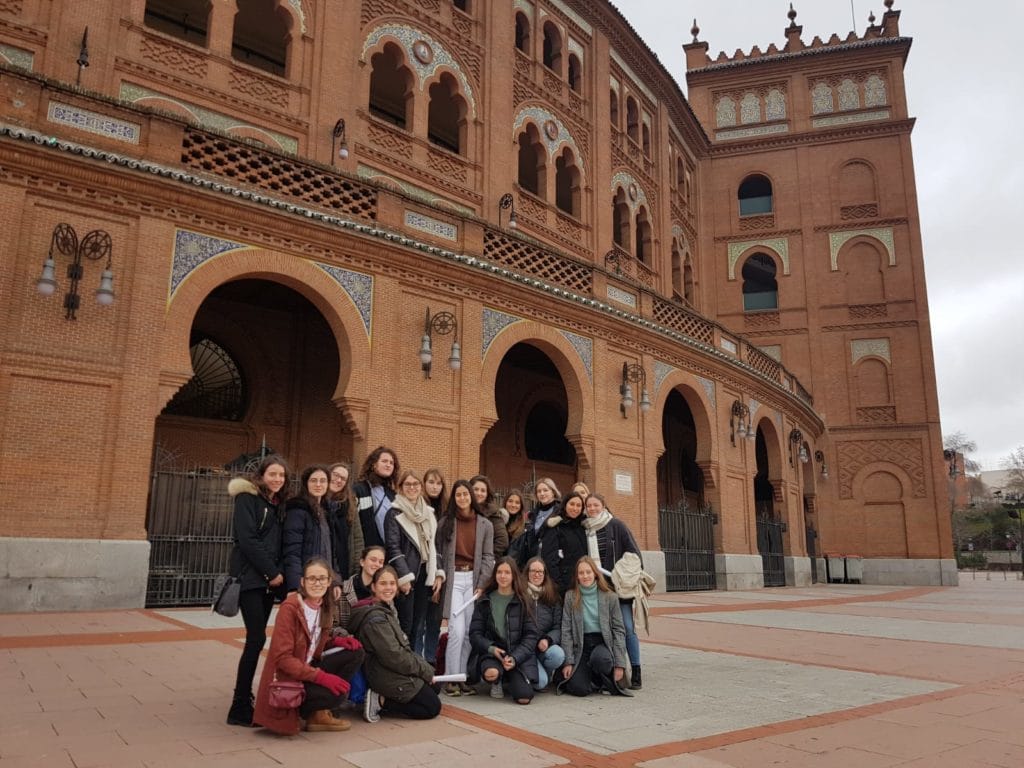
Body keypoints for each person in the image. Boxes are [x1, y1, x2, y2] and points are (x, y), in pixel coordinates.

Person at [253, 557, 365, 734]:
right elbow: (283, 659)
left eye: (322, 578)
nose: (317, 583)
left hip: (307, 668)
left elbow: (313, 642)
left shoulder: (325, 606)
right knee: (337, 694)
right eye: (312, 578)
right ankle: (309, 710)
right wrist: (322, 678)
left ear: (329, 582)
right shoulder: (290, 609)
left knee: (356, 652)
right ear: (302, 582)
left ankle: (318, 713)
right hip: (289, 678)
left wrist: (336, 641)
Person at [226, 455, 288, 727]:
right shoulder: (246, 499)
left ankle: (247, 698)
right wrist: (271, 572)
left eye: (282, 475)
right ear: (261, 476)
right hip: (251, 580)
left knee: (258, 639)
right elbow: (247, 540)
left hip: (265, 583)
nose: (277, 479)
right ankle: (239, 706)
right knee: (255, 639)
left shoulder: (275, 504)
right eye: (272, 474)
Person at [349, 565, 442, 722]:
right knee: (432, 707)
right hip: (382, 672)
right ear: (373, 587)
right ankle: (380, 700)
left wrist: (425, 670)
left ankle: (389, 697)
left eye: (392, 583)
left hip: (390, 667)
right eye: (383, 584)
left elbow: (401, 649)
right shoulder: (376, 620)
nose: (388, 588)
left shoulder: (386, 609)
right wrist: (424, 670)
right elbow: (394, 656)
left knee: (435, 686)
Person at [437, 479, 495, 695]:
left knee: (470, 631)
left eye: (465, 494)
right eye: (458, 494)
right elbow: (438, 552)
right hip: (454, 580)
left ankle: (461, 678)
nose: (462, 498)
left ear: (471, 496)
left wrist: (481, 584)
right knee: (456, 630)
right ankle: (450, 679)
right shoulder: (446, 522)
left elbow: (489, 557)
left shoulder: (485, 524)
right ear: (454, 498)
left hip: (473, 581)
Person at [583, 493, 645, 690]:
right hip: (599, 588)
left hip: (618, 588)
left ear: (603, 505)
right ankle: (615, 670)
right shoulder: (585, 529)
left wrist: (620, 573)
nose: (592, 509)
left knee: (626, 627)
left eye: (595, 505)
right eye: (589, 506)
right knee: (605, 629)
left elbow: (634, 553)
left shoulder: (616, 525)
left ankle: (636, 669)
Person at [385, 469, 445, 652]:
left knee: (420, 625)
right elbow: (393, 547)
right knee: (406, 623)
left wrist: (438, 574)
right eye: (407, 484)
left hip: (426, 575)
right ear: (401, 487)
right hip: (408, 577)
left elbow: (435, 545)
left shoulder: (428, 512)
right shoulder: (394, 513)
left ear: (421, 487)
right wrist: (404, 576)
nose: (412, 488)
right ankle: (403, 666)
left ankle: (417, 664)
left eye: (415, 484)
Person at [468, 557, 538, 704]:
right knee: (491, 673)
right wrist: (492, 649)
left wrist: (515, 658)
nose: (503, 576)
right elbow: (475, 634)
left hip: (516, 655)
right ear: (495, 575)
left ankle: (509, 677)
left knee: (524, 698)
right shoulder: (485, 600)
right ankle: (497, 680)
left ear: (513, 575)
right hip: (493, 654)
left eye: (507, 572)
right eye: (499, 572)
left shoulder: (524, 600)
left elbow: (531, 636)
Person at [559, 556, 630, 698]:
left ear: (595, 574)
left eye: (588, 572)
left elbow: (619, 630)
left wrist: (620, 664)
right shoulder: (570, 597)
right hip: (581, 646)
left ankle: (600, 674)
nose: (585, 576)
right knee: (579, 689)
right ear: (577, 576)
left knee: (601, 660)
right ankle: (592, 679)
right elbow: (566, 631)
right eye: (581, 573)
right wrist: (568, 661)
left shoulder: (610, 597)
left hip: (602, 643)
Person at [282, 466, 336, 593]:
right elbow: (292, 551)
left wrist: (335, 581)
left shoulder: (326, 511)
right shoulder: (297, 510)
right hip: (306, 582)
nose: (318, 484)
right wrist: (295, 586)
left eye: (323, 481)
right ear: (306, 483)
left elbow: (332, 551)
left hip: (323, 580)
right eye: (313, 480)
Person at [523, 556, 565, 690]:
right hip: (525, 649)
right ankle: (535, 674)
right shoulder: (519, 594)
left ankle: (544, 671)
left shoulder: (552, 596)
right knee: (540, 683)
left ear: (545, 574)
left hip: (543, 648)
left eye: (540, 572)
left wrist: (547, 639)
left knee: (558, 655)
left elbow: (558, 627)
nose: (537, 574)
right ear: (527, 573)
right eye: (533, 571)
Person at [420, 468, 448, 661]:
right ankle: (417, 661)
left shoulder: (446, 511)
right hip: (422, 570)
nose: (434, 486)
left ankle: (429, 662)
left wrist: (440, 571)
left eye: (438, 483)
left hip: (441, 571)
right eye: (431, 482)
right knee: (418, 621)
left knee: (434, 621)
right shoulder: (419, 508)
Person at [541, 493, 589, 593]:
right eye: (572, 504)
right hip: (563, 586)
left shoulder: (582, 527)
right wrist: (559, 585)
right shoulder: (556, 527)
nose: (575, 508)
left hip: (582, 583)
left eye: (578, 505)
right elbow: (549, 559)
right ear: (565, 505)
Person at [353, 446, 399, 548]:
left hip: (388, 553)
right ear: (374, 464)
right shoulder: (359, 489)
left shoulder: (393, 495)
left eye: (391, 463)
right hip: (366, 551)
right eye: (384, 461)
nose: (388, 465)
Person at [335, 545, 386, 632]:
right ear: (362, 562)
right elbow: (333, 625)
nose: (377, 564)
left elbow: (393, 621)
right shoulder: (343, 590)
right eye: (373, 560)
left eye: (381, 562)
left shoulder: (384, 590)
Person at [327, 462, 363, 579]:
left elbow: (358, 539)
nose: (338, 480)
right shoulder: (316, 502)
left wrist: (357, 568)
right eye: (335, 475)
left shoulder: (350, 506)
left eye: (343, 479)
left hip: (344, 566)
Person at [520, 478, 561, 564]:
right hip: (535, 560)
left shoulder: (561, 512)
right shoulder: (533, 513)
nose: (542, 493)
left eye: (545, 490)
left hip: (554, 562)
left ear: (553, 492)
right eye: (539, 491)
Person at [470, 474, 509, 558]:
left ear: (487, 494)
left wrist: (487, 558)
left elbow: (502, 541)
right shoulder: (464, 510)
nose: (479, 493)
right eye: (475, 489)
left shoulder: (493, 513)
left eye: (483, 490)